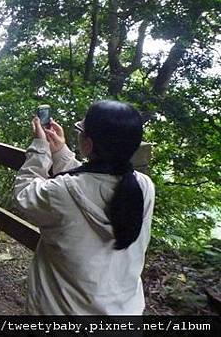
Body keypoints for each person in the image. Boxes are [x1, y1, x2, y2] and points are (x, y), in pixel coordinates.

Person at [12, 100, 155, 315]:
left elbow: (25, 193)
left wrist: (40, 150)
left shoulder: (61, 191)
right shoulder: (144, 186)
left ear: (88, 143)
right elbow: (90, 183)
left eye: (81, 130)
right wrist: (60, 152)